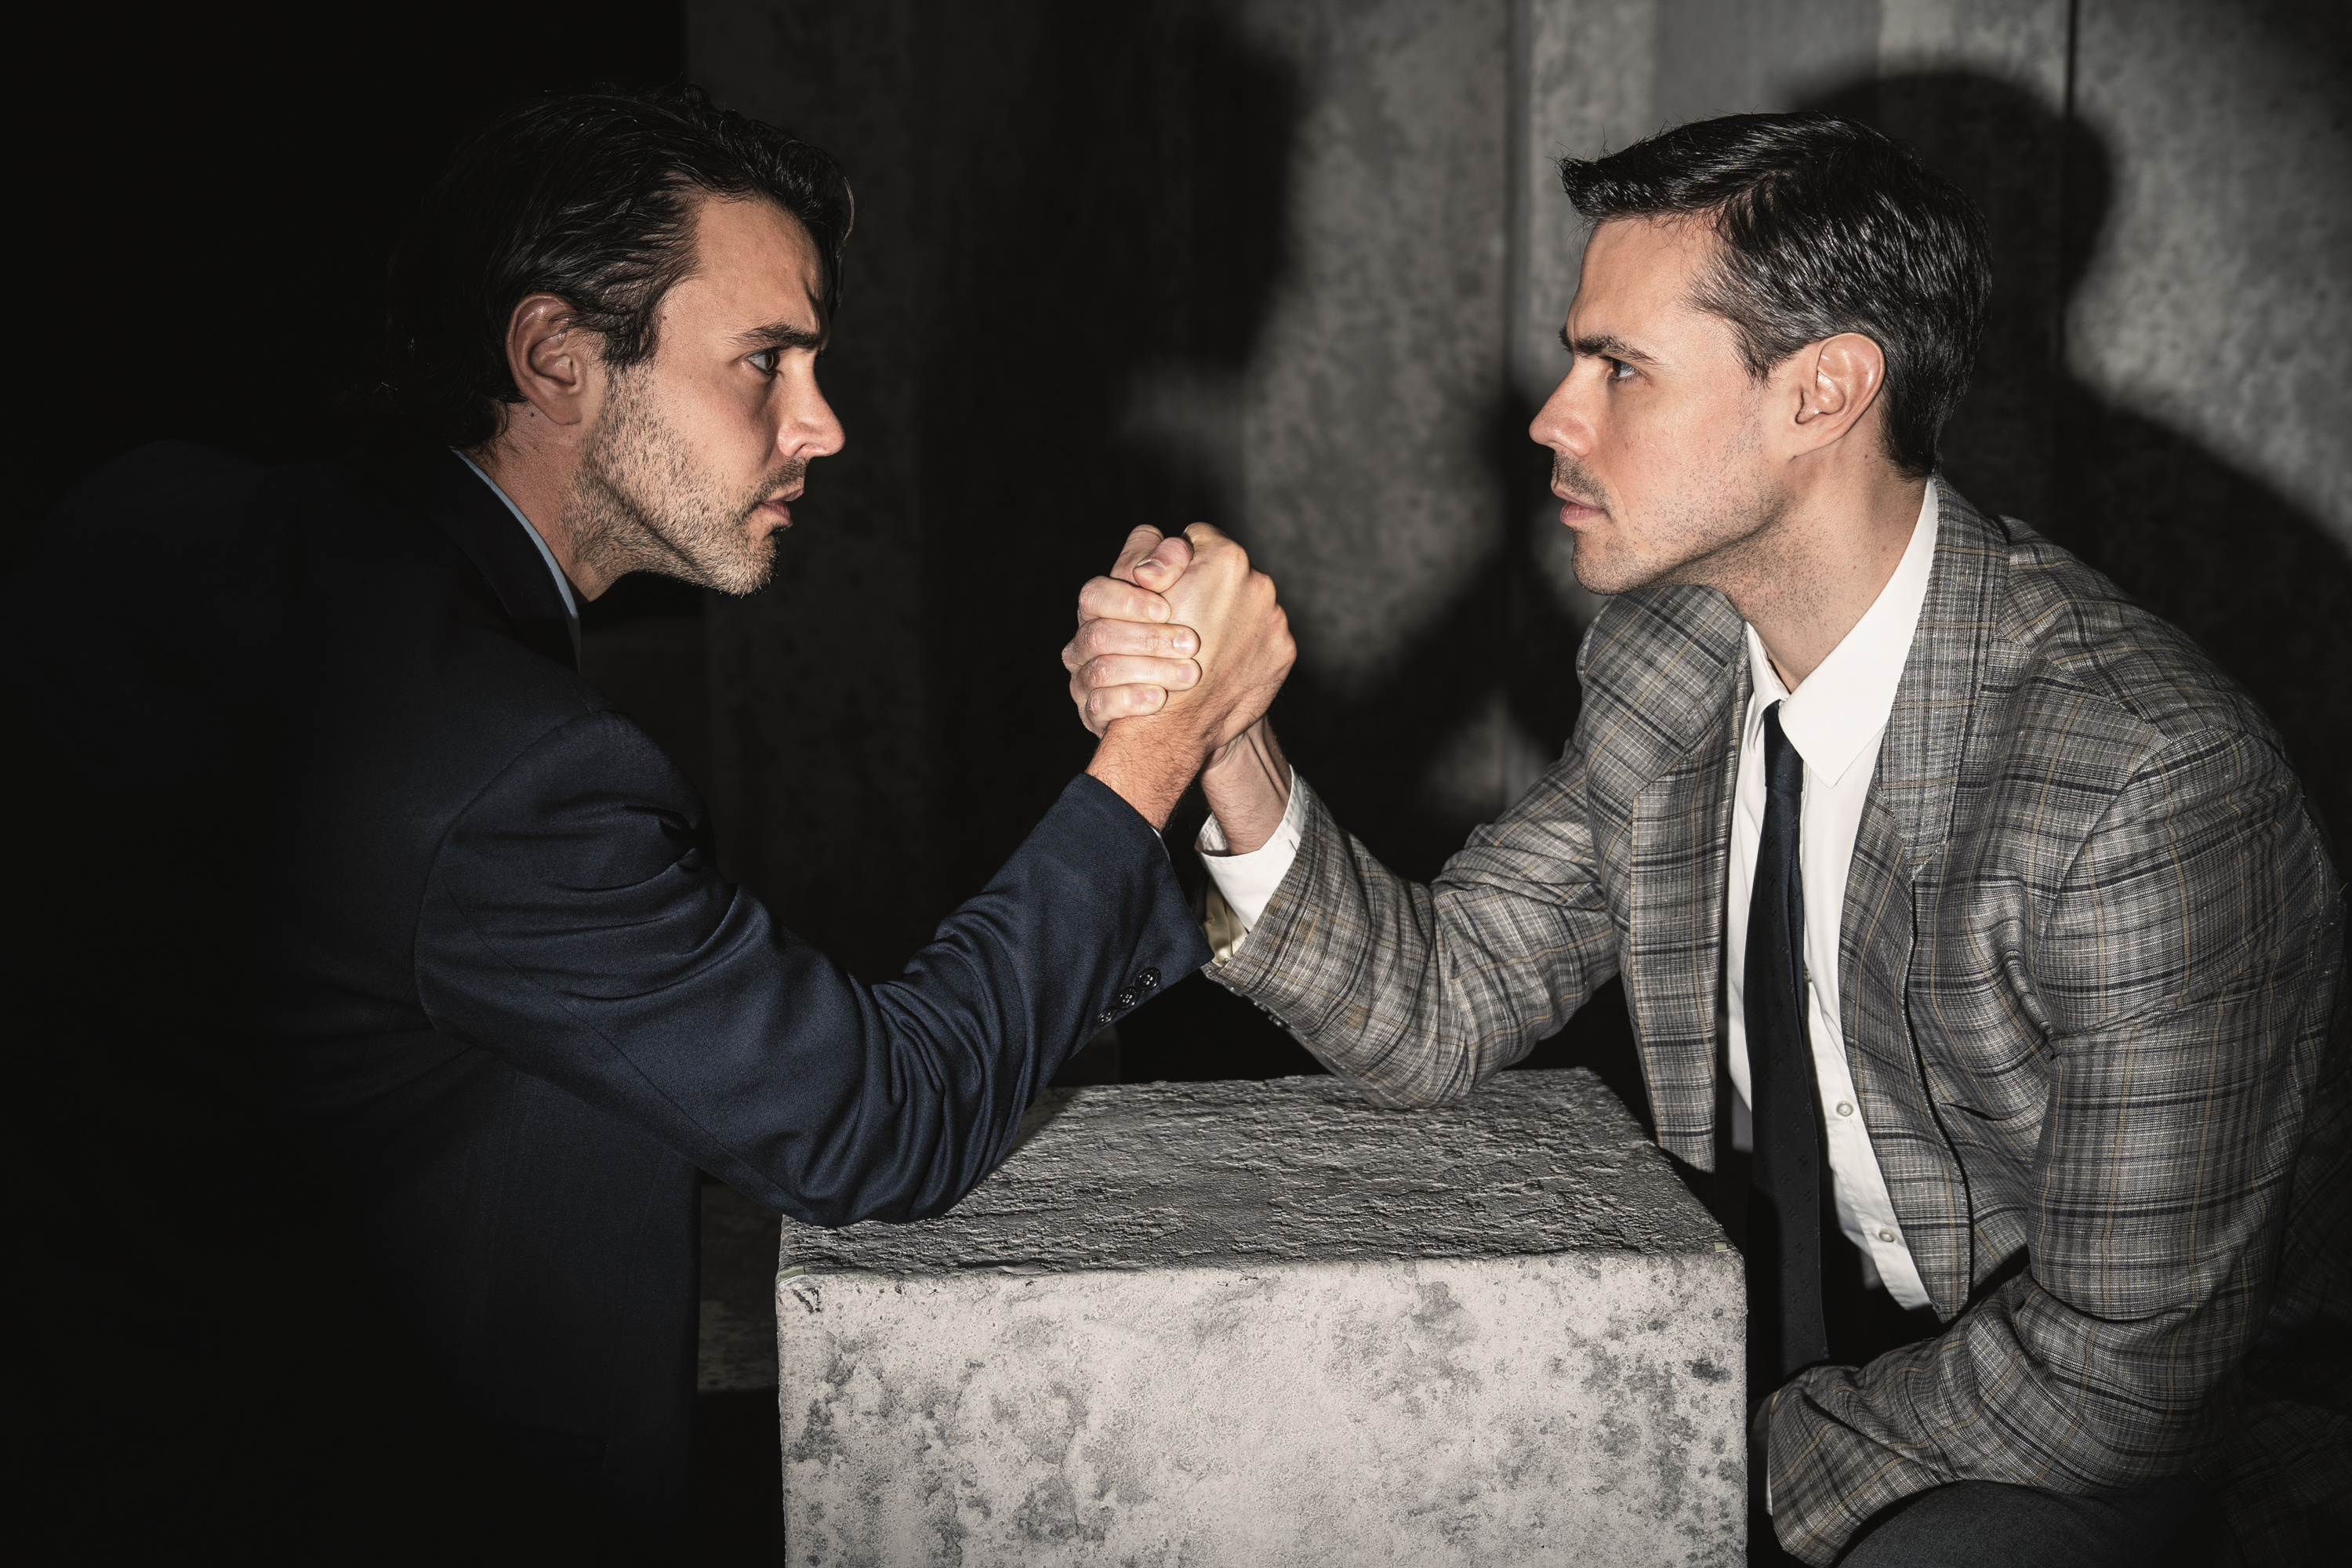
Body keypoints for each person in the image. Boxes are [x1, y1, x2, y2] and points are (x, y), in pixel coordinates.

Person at [3, 85, 1291, 1552]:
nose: (822, 424)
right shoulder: (511, 769)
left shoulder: (142, 517)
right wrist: (1161, 748)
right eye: (765, 361)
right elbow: (881, 1123)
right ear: (558, 358)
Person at [1067, 113, 2345, 1566]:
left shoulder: (2143, 785)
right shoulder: (1669, 660)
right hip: (1788, 1361)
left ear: (1824, 392)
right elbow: (1441, 1003)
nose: (1553, 417)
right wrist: (1226, 735)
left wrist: (1674, 1449)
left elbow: (2123, 1389)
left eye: (1619, 368)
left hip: (2140, 1454)